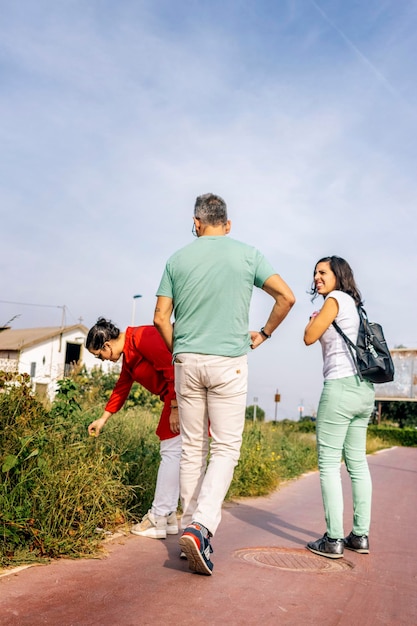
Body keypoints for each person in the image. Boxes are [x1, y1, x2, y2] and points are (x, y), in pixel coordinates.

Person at [154, 193, 295, 575]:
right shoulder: (248, 254)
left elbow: (160, 317)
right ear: (227, 224)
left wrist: (178, 351)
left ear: (196, 223)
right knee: (226, 448)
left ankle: (189, 529)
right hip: (228, 362)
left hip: (187, 360)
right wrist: (264, 333)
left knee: (191, 448)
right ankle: (201, 527)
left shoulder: (176, 259)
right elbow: (286, 296)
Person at [304, 256, 375, 559]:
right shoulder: (354, 306)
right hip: (364, 389)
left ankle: (333, 539)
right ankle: (359, 536)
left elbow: (309, 337)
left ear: (337, 275)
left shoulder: (334, 299)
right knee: (357, 464)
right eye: (315, 273)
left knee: (330, 464)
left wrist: (312, 321)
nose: (317, 277)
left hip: (340, 387)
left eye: (322, 272)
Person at [86, 318, 181, 540]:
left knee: (171, 452)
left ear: (106, 345)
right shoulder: (129, 354)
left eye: (99, 355)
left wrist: (175, 405)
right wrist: (103, 419)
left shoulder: (141, 338)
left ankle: (158, 517)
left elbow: (171, 365)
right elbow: (122, 387)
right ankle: (167, 515)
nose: (102, 360)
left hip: (180, 395)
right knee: (176, 454)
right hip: (176, 397)